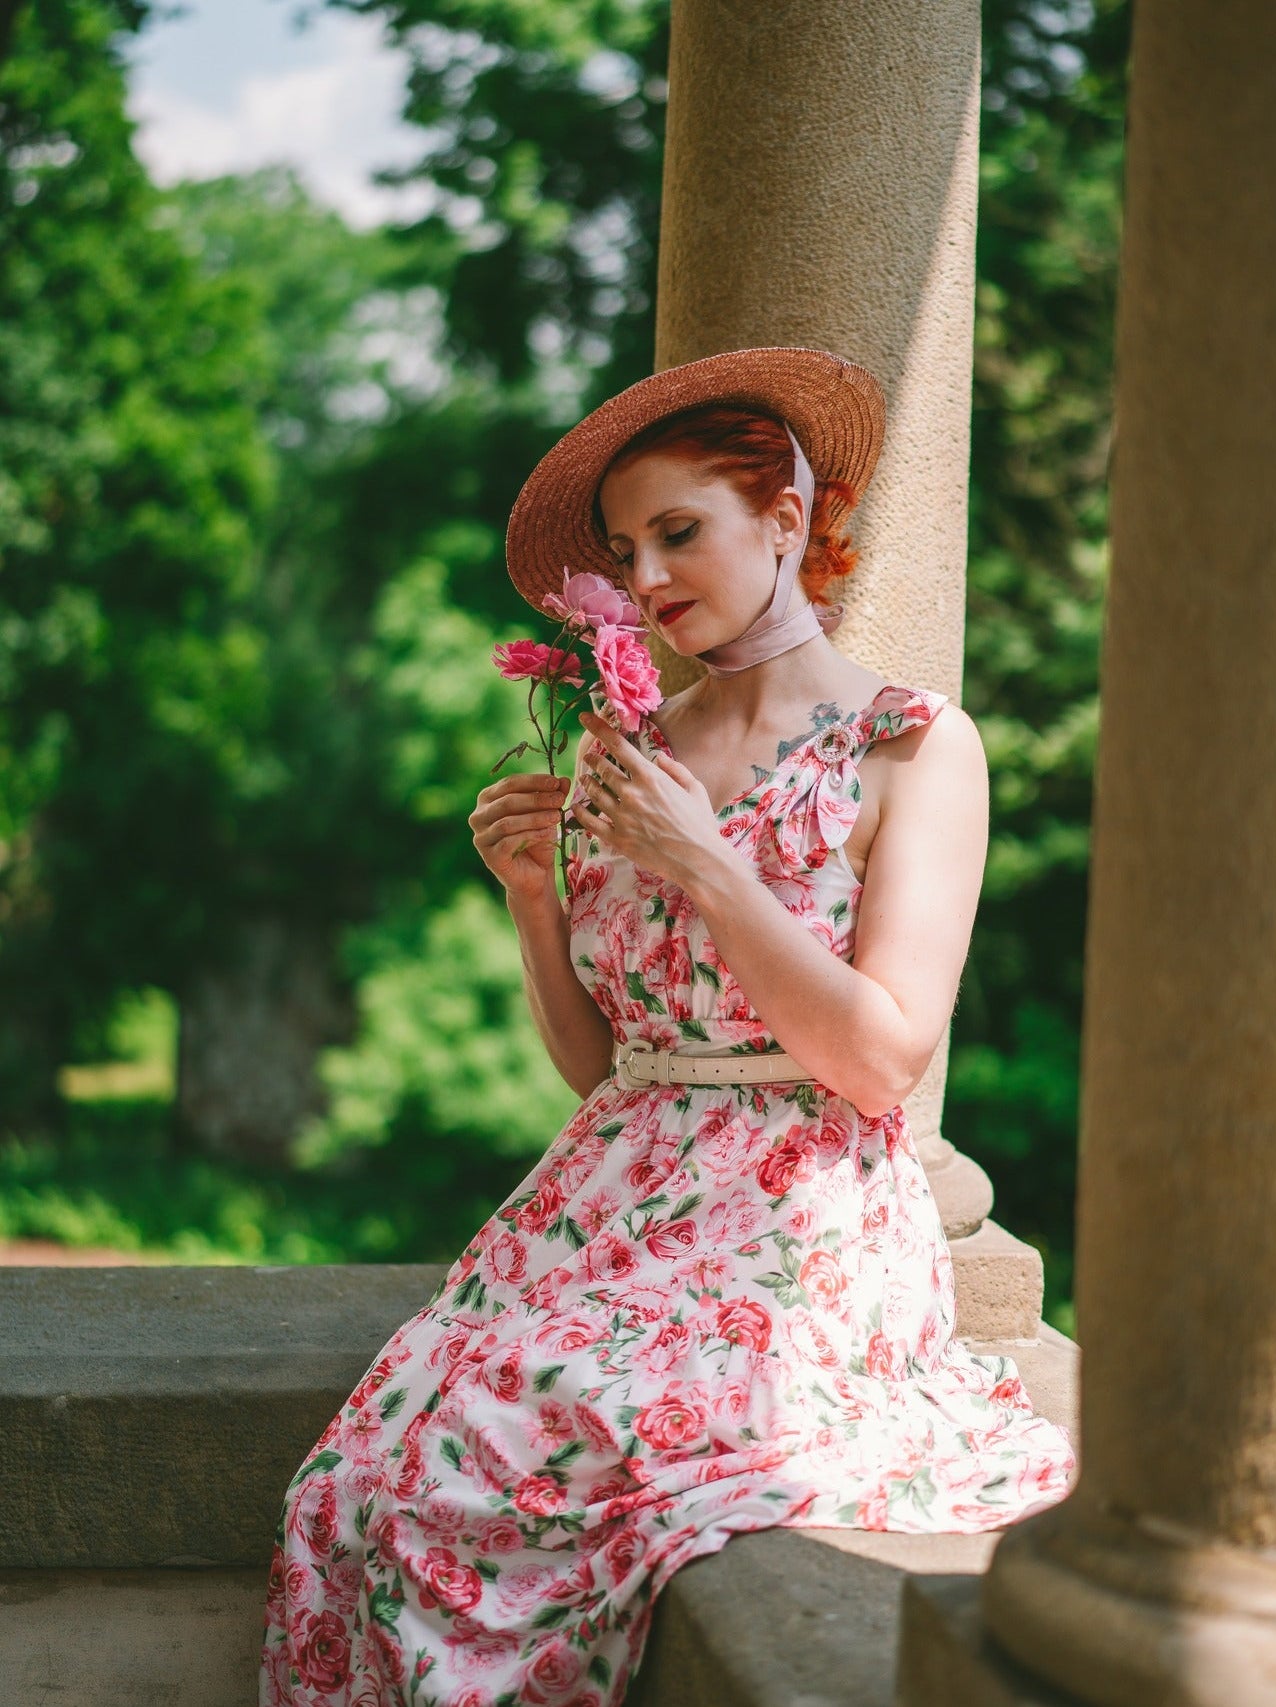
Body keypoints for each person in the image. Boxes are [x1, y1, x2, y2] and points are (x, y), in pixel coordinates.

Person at [257, 346, 1077, 1707]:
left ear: (785, 520)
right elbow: (605, 1066)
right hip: (600, 1201)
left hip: (797, 1213)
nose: (643, 579)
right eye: (626, 551)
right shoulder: (632, 747)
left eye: (678, 533)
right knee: (370, 1471)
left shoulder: (913, 746)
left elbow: (882, 1060)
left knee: (541, 1443)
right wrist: (534, 900)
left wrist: (706, 864)